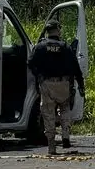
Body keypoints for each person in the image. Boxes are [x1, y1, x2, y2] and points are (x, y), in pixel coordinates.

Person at [28, 19, 84, 156]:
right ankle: (65, 136)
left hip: (47, 84)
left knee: (48, 114)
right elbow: (75, 67)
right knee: (64, 108)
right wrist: (81, 84)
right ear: (58, 30)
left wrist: (38, 76)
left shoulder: (40, 47)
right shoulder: (65, 47)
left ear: (47, 31)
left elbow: (30, 63)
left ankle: (52, 147)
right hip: (63, 84)